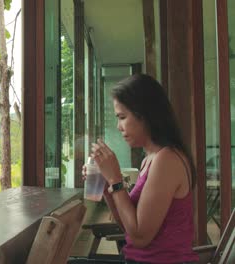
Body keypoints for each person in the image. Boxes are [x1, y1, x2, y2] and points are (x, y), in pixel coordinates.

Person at [83, 74, 199, 263]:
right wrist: (106, 186)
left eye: (122, 117)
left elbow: (140, 238)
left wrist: (115, 179)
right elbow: (129, 226)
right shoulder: (150, 160)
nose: (118, 127)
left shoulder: (167, 159)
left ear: (145, 115)